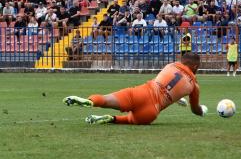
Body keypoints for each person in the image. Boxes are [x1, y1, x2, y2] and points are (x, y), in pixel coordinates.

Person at [63, 53, 207, 125]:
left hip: (142, 93)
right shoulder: (194, 86)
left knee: (106, 100)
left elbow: (168, 82)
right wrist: (202, 111)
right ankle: (112, 120)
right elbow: (194, 109)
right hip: (152, 111)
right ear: (194, 66)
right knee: (130, 120)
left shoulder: (171, 65)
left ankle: (91, 102)